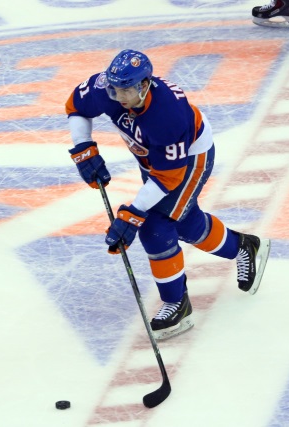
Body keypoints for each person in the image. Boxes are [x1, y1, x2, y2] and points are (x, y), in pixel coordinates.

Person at [65, 49, 271, 340]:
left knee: (155, 227)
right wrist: (83, 148)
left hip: (188, 160)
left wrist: (133, 214)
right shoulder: (106, 88)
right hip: (156, 160)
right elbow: (76, 106)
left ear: (146, 84)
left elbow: (168, 177)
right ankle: (242, 247)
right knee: (185, 222)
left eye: (127, 89)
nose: (119, 96)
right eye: (114, 89)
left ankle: (177, 303)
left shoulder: (167, 115)